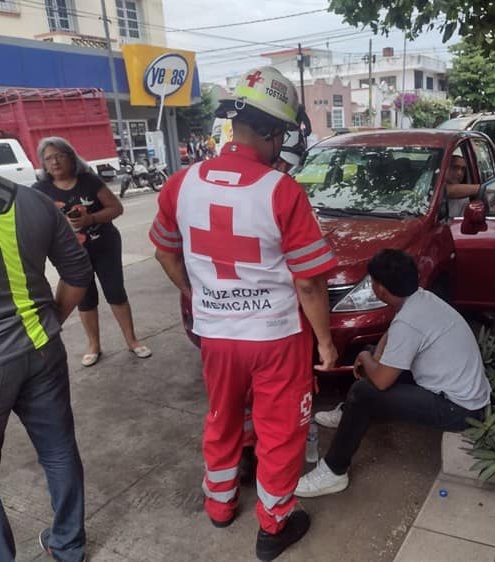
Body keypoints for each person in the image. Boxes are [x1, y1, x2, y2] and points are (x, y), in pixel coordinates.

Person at [150, 65, 337, 561]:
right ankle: (274, 526)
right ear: (276, 132)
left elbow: (165, 252)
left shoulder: (180, 184)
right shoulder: (282, 191)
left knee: (222, 414)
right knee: (281, 429)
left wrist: (198, 295)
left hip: (215, 334)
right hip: (275, 336)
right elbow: (309, 280)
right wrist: (324, 339)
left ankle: (220, 504)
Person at [0, 113, 91, 561]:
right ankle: (68, 548)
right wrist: (50, 320)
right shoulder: (32, 202)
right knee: (58, 450)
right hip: (42, 349)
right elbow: (77, 275)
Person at [297, 249, 491, 498]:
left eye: (372, 282)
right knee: (375, 360)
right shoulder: (420, 298)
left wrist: (366, 358)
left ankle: (334, 471)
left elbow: (380, 380)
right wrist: (373, 355)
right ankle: (349, 415)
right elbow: (392, 337)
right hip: (459, 392)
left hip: (460, 410)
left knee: (363, 391)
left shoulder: (409, 322)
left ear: (381, 289)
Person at [33, 137, 151, 366]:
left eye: (59, 155)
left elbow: (116, 208)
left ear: (70, 157)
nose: (55, 162)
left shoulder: (89, 181)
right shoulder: (40, 190)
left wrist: (91, 218)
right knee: (85, 299)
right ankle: (94, 346)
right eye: (49, 158)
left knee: (115, 292)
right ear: (43, 164)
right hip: (71, 254)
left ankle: (132, 341)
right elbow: (35, 220)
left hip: (104, 245)